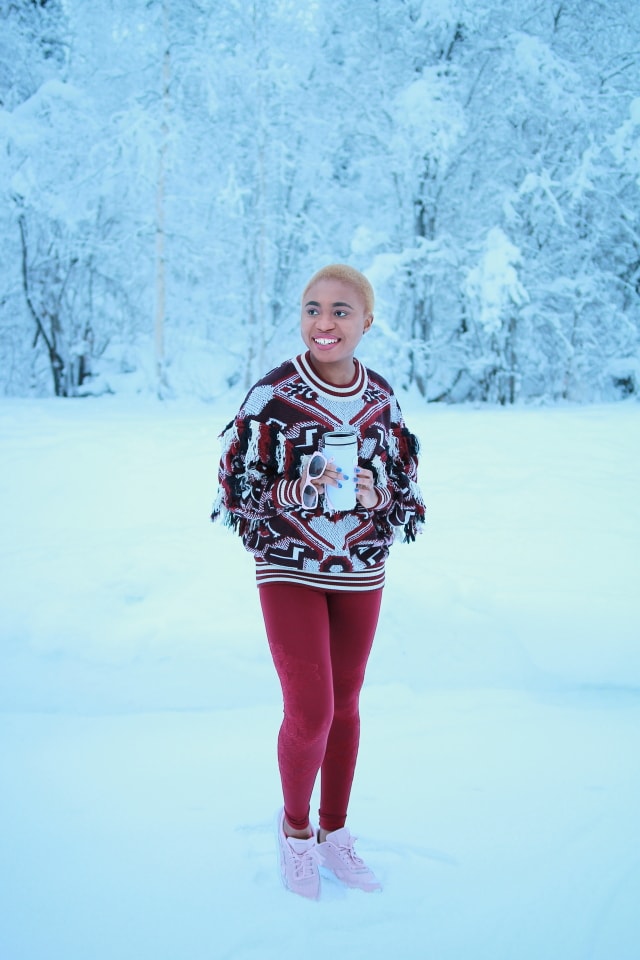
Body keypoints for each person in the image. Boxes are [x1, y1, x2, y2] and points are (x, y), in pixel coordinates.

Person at [211, 264, 425, 899]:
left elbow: (408, 496)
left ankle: (336, 832)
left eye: (339, 311)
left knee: (348, 706)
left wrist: (377, 489)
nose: (323, 323)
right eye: (312, 309)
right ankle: (296, 831)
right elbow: (232, 490)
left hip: (361, 570)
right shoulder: (270, 395)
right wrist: (294, 488)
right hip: (287, 566)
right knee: (311, 712)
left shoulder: (382, 399)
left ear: (366, 321)